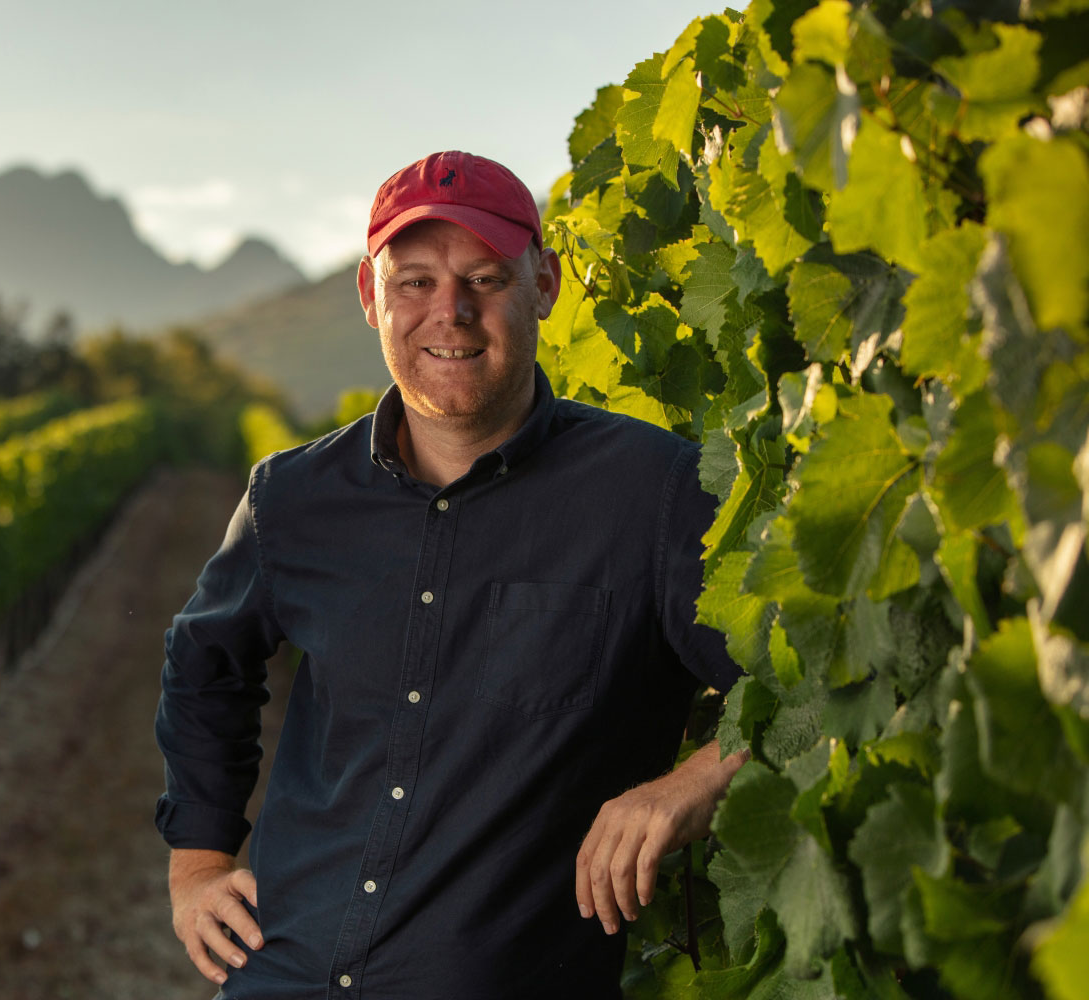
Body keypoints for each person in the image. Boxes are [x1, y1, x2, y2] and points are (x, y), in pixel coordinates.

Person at [154, 150, 748, 999]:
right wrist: (198, 863)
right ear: (371, 296)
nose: (451, 313)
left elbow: (796, 687)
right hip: (283, 973)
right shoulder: (292, 497)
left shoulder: (652, 493)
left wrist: (689, 784)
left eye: (484, 279)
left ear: (542, 285)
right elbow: (204, 665)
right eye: (415, 283)